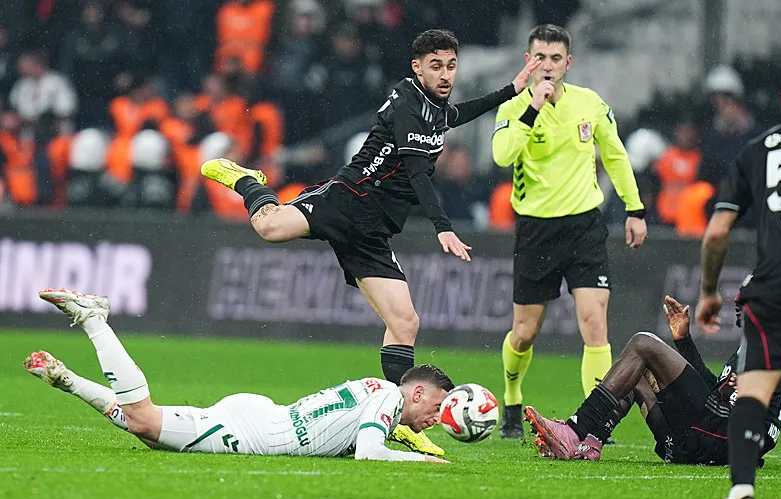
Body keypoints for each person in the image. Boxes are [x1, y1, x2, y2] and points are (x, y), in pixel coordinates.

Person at [200, 29, 539, 457]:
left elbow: (457, 115)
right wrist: (442, 226)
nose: (445, 74)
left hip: (374, 229)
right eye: (436, 66)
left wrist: (512, 89)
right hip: (346, 201)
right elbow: (417, 172)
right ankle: (248, 180)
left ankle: (395, 420)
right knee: (268, 228)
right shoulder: (407, 104)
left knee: (405, 323)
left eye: (451, 66)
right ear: (417, 67)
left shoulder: (434, 106)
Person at [25, 289, 452, 463]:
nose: (437, 418)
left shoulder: (380, 394)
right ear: (416, 393)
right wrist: (427, 462)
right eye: (436, 406)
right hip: (257, 433)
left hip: (265, 418)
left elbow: (361, 439)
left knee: (150, 433)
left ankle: (67, 380)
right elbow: (370, 453)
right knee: (144, 421)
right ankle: (94, 319)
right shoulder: (389, 398)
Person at [491, 24, 647, 438]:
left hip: (584, 226)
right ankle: (512, 396)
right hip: (536, 230)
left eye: (556, 58)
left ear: (568, 63)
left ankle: (595, 424)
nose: (548, 66)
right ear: (528, 61)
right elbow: (502, 154)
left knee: (595, 324)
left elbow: (615, 155)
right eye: (540, 58)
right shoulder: (513, 106)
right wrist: (532, 108)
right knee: (524, 333)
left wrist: (635, 208)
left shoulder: (589, 103)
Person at [694, 63, 781, 499]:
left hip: (774, 288)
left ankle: (740, 490)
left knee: (753, 391)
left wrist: (709, 291)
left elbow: (717, 232)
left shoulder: (758, 150)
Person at [523, 292, 781, 466]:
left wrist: (763, 382)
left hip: (726, 437)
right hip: (697, 440)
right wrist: (683, 340)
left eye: (747, 297)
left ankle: (573, 431)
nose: (737, 302)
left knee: (644, 343)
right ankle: (589, 442)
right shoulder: (749, 348)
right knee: (637, 371)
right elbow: (712, 389)